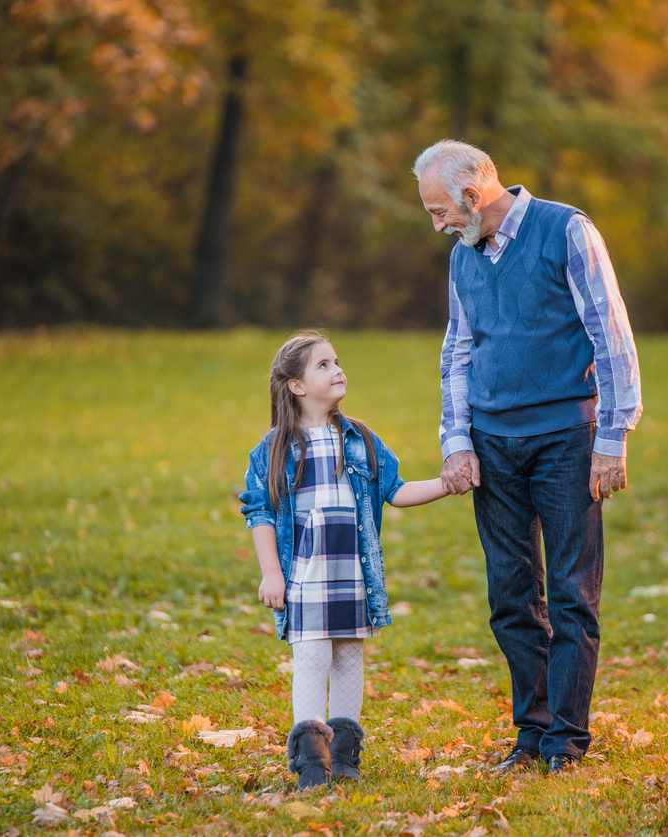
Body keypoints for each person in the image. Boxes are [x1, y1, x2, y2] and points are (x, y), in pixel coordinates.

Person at [413, 139, 642, 775]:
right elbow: (457, 352)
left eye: (439, 211)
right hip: (492, 445)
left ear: (470, 195)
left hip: (566, 439)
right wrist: (455, 440)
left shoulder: (566, 231)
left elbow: (610, 332)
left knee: (571, 592)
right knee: (512, 596)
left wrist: (612, 437)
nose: (436, 226)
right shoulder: (464, 259)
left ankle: (567, 741)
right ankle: (532, 732)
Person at [239, 330, 452, 789]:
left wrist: (446, 483)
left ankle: (344, 756)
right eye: (323, 365)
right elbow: (259, 512)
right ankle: (311, 762)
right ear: (296, 386)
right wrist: (271, 573)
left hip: (352, 576)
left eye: (337, 362)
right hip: (306, 576)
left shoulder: (361, 440)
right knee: (312, 657)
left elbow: (396, 491)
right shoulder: (274, 449)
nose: (338, 370)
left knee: (349, 656)